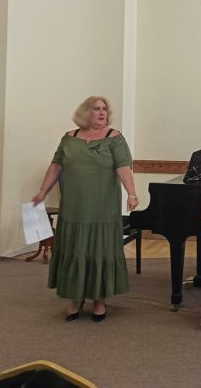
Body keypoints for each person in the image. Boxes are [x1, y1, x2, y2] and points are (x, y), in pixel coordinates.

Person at [32, 96, 139, 321]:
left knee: (98, 248)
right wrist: (42, 191)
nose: (102, 113)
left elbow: (124, 168)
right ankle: (76, 298)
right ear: (85, 113)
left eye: (104, 109)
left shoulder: (114, 138)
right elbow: (56, 166)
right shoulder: (69, 138)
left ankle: (99, 300)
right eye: (96, 109)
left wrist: (131, 193)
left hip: (102, 207)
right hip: (74, 207)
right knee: (75, 248)